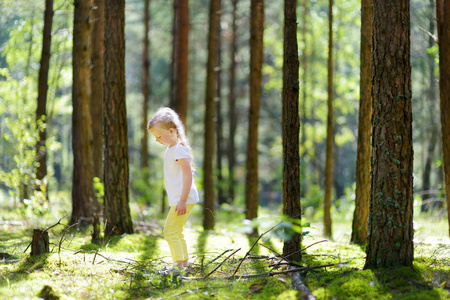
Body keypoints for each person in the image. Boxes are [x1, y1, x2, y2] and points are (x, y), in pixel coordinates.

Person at [147, 107, 199, 269]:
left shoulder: (178, 150)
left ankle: (178, 266)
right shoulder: (171, 149)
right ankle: (183, 264)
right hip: (180, 198)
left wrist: (182, 200)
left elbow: (188, 175)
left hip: (183, 198)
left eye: (159, 136)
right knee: (177, 231)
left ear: (171, 131)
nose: (157, 140)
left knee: (169, 231)